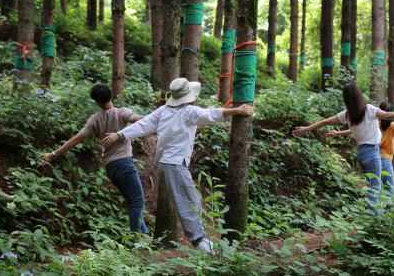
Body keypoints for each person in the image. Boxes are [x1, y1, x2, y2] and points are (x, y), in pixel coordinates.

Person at [101, 78, 254, 253]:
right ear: (188, 97)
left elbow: (144, 124)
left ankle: (200, 241)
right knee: (189, 202)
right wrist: (238, 110)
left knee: (190, 200)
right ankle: (199, 243)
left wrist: (120, 134)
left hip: (166, 165)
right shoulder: (188, 111)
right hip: (173, 164)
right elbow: (210, 115)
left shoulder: (164, 111)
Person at [38, 84, 148, 234]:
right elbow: (139, 120)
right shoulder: (122, 112)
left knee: (133, 202)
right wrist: (155, 118)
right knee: (137, 202)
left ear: (97, 102)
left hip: (111, 167)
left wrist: (53, 154)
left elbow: (76, 139)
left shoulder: (95, 119)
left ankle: (144, 237)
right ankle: (139, 240)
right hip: (124, 163)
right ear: (111, 95)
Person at [293, 83, 394, 211]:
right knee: (374, 191)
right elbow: (387, 115)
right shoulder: (369, 109)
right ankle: (374, 222)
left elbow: (325, 121)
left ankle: (376, 220)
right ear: (359, 95)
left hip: (362, 154)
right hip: (372, 153)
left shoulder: (347, 115)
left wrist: (306, 129)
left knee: (373, 188)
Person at [327, 101, 394, 195]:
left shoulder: (375, 123)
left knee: (374, 188)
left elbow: (353, 130)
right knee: (390, 189)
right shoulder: (392, 125)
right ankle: (393, 209)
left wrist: (338, 133)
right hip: (385, 159)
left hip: (373, 157)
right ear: (389, 112)